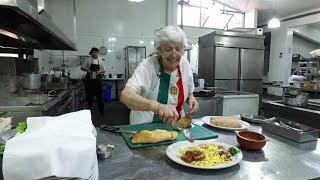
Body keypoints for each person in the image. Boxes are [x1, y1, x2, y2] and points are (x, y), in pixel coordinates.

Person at [120, 26, 199, 125]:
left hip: (176, 126)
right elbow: (125, 95)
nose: (174, 54)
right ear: (159, 50)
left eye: (178, 49)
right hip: (145, 128)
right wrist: (157, 106)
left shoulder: (185, 65)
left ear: (183, 50)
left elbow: (189, 90)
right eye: (168, 49)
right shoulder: (147, 66)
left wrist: (191, 98)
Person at [81, 47, 105, 115]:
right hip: (89, 81)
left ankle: (101, 112)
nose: (94, 54)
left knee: (100, 98)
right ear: (91, 53)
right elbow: (82, 67)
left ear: (98, 53)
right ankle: (88, 113)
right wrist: (87, 70)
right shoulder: (88, 59)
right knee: (89, 98)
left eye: (96, 52)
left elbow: (103, 70)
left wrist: (99, 71)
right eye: (93, 52)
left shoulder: (100, 60)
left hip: (97, 81)